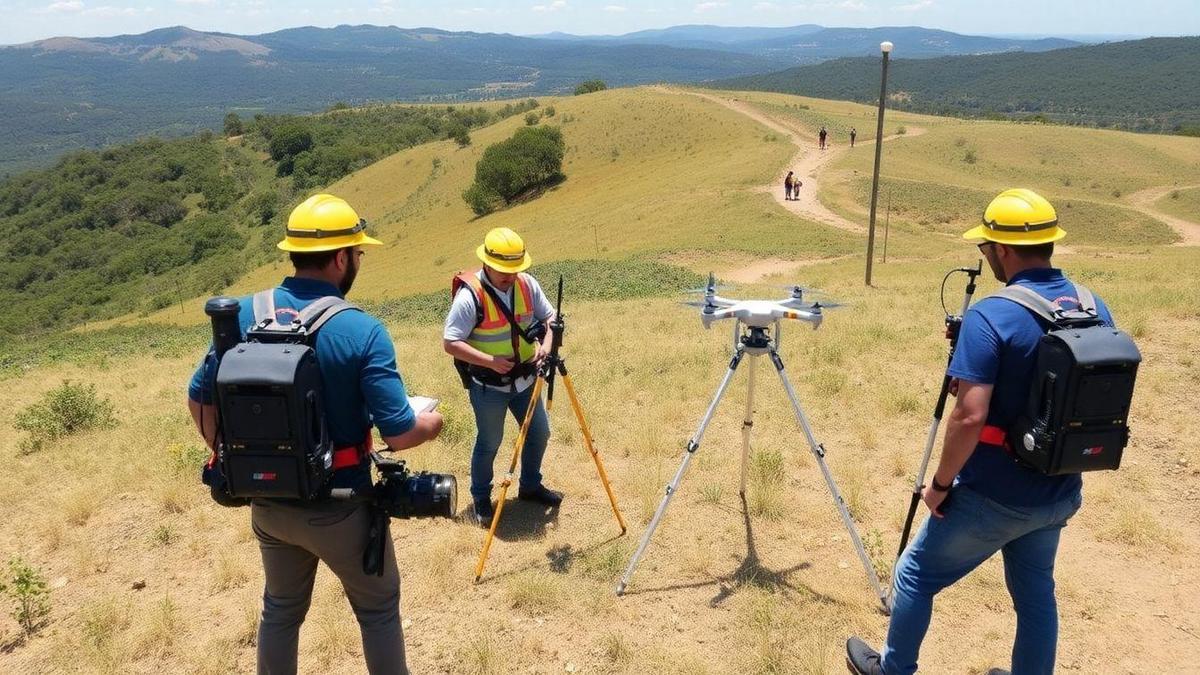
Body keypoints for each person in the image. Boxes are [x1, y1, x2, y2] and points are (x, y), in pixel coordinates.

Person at [846, 189, 1114, 675]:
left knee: (913, 577)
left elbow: (969, 416)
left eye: (986, 246)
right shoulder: (1094, 307)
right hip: (1058, 491)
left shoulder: (992, 314)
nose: (985, 254)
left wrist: (940, 486)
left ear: (1003, 251)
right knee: (1036, 595)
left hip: (992, 493)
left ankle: (892, 669)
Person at [186, 193, 443, 675]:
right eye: (359, 253)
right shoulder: (362, 330)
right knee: (378, 611)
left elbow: (199, 399)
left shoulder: (240, 314)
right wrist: (433, 421)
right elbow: (402, 433)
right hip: (342, 506)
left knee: (280, 612)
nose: (359, 261)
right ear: (342, 257)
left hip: (267, 504)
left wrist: (238, 459)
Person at [443, 227, 562, 526]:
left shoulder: (527, 285)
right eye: (503, 270)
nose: (509, 275)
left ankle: (531, 486)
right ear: (487, 263)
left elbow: (550, 319)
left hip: (526, 381)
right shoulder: (471, 296)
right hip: (489, 386)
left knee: (539, 433)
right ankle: (481, 498)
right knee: (489, 442)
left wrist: (545, 348)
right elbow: (451, 342)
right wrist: (490, 361)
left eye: (515, 269)